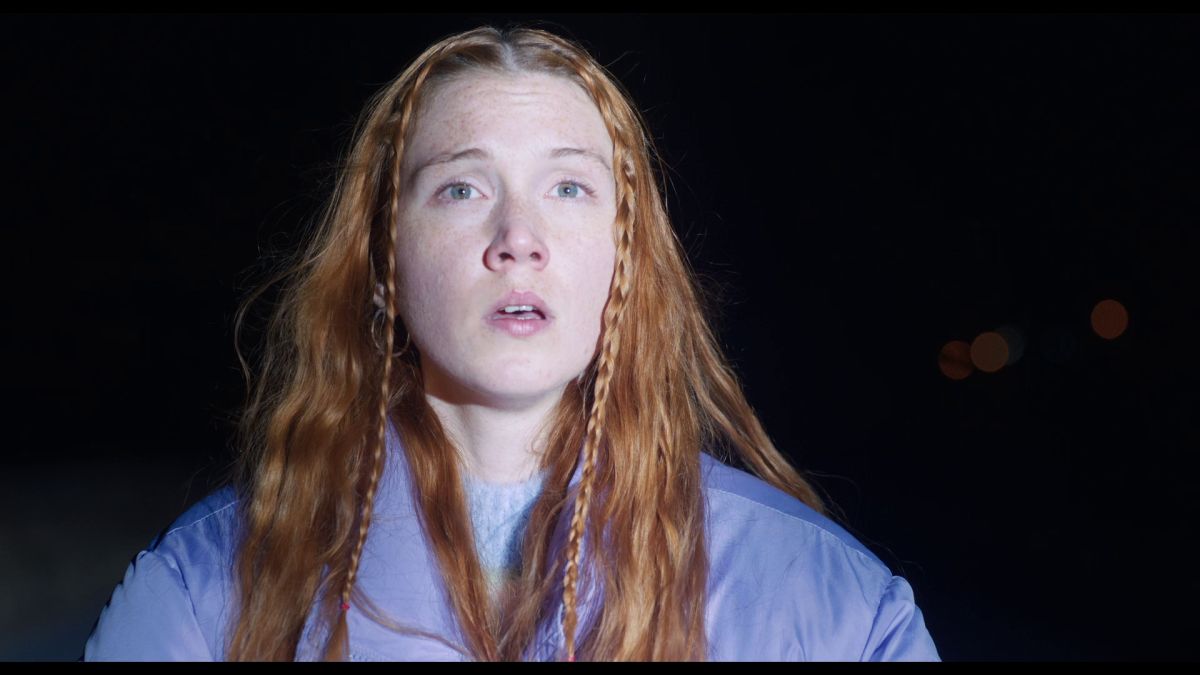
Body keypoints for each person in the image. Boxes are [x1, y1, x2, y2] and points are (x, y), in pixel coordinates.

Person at [83, 24, 941, 661]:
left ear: (626, 258)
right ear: (383, 263)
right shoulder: (205, 591)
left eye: (568, 187)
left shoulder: (835, 610)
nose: (518, 238)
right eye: (461, 188)